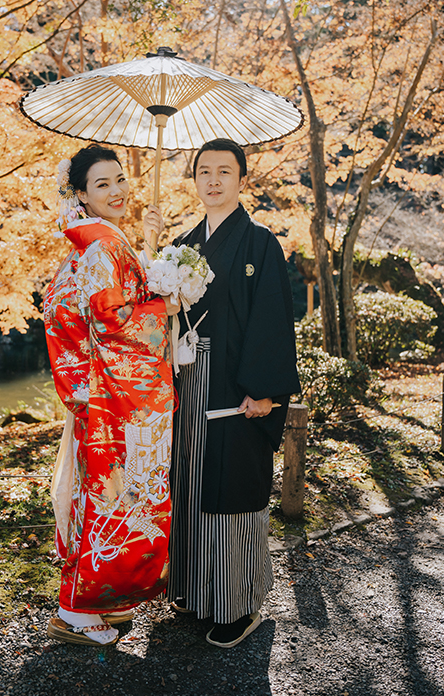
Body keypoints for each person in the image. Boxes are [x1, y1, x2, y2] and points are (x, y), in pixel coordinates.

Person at [165, 137, 301, 649]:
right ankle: (195, 590)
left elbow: (272, 318)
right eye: (204, 171)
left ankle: (237, 605)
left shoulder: (259, 242)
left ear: (243, 179)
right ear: (194, 179)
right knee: (190, 485)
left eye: (225, 170)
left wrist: (265, 390)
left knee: (232, 491)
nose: (214, 179)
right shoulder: (181, 244)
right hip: (188, 381)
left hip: (237, 388)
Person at [42, 144, 178, 647]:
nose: (117, 190)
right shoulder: (101, 247)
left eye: (120, 180)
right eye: (102, 185)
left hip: (98, 395)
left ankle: (103, 598)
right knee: (109, 499)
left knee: (105, 496)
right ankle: (74, 610)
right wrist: (163, 303)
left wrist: (150, 252)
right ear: (81, 194)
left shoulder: (96, 244)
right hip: (114, 398)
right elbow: (114, 322)